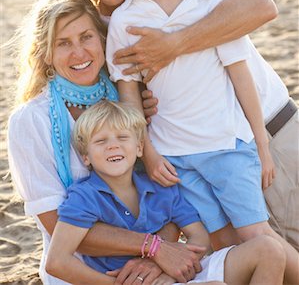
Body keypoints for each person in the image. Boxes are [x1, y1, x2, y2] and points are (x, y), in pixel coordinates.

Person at [45, 0, 299, 251]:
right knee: (242, 254)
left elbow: (260, 7)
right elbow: (127, 95)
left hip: (270, 130)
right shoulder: (105, 26)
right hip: (192, 155)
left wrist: (173, 44)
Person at [105, 0, 299, 285]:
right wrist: (151, 151)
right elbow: (129, 100)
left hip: (228, 146)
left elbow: (241, 76)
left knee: (260, 239)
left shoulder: (210, 3)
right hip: (177, 160)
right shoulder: (126, 19)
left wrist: (261, 144)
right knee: (221, 243)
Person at [7, 0, 207, 285]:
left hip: (152, 265)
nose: (78, 53)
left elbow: (165, 200)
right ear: (45, 54)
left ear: (102, 39)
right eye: (63, 43)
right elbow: (58, 225)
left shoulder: (129, 98)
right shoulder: (30, 122)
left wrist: (158, 257)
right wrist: (152, 247)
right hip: (83, 273)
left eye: (86, 37)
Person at [46, 99, 286, 285]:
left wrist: (165, 268)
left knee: (269, 249)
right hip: (119, 281)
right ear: (85, 157)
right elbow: (56, 262)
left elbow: (199, 237)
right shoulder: (84, 197)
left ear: (140, 147)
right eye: (101, 141)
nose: (113, 145)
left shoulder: (160, 188)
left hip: (173, 275)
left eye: (122, 137)